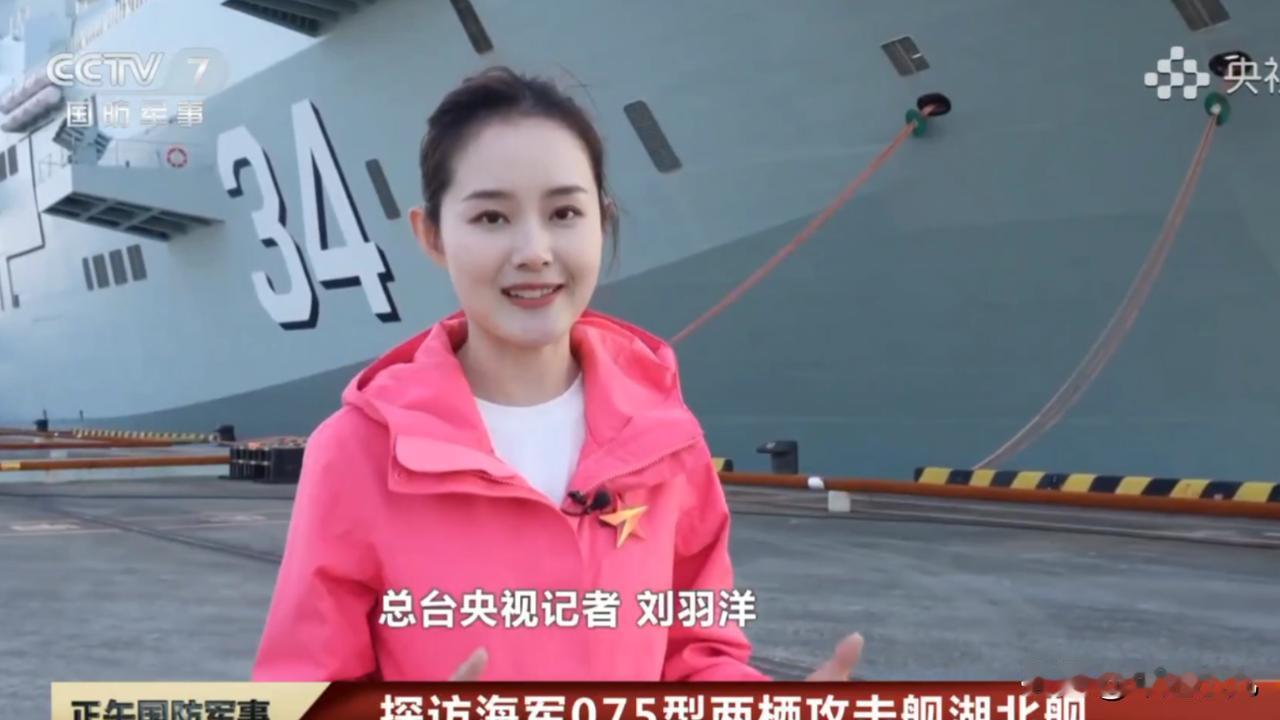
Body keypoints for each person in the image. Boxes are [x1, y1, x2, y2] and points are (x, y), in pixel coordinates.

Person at [251, 65, 863, 681]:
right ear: (431, 235)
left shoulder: (666, 439)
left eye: (565, 213)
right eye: (492, 218)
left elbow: (695, 656)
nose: (535, 252)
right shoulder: (356, 453)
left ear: (603, 220)